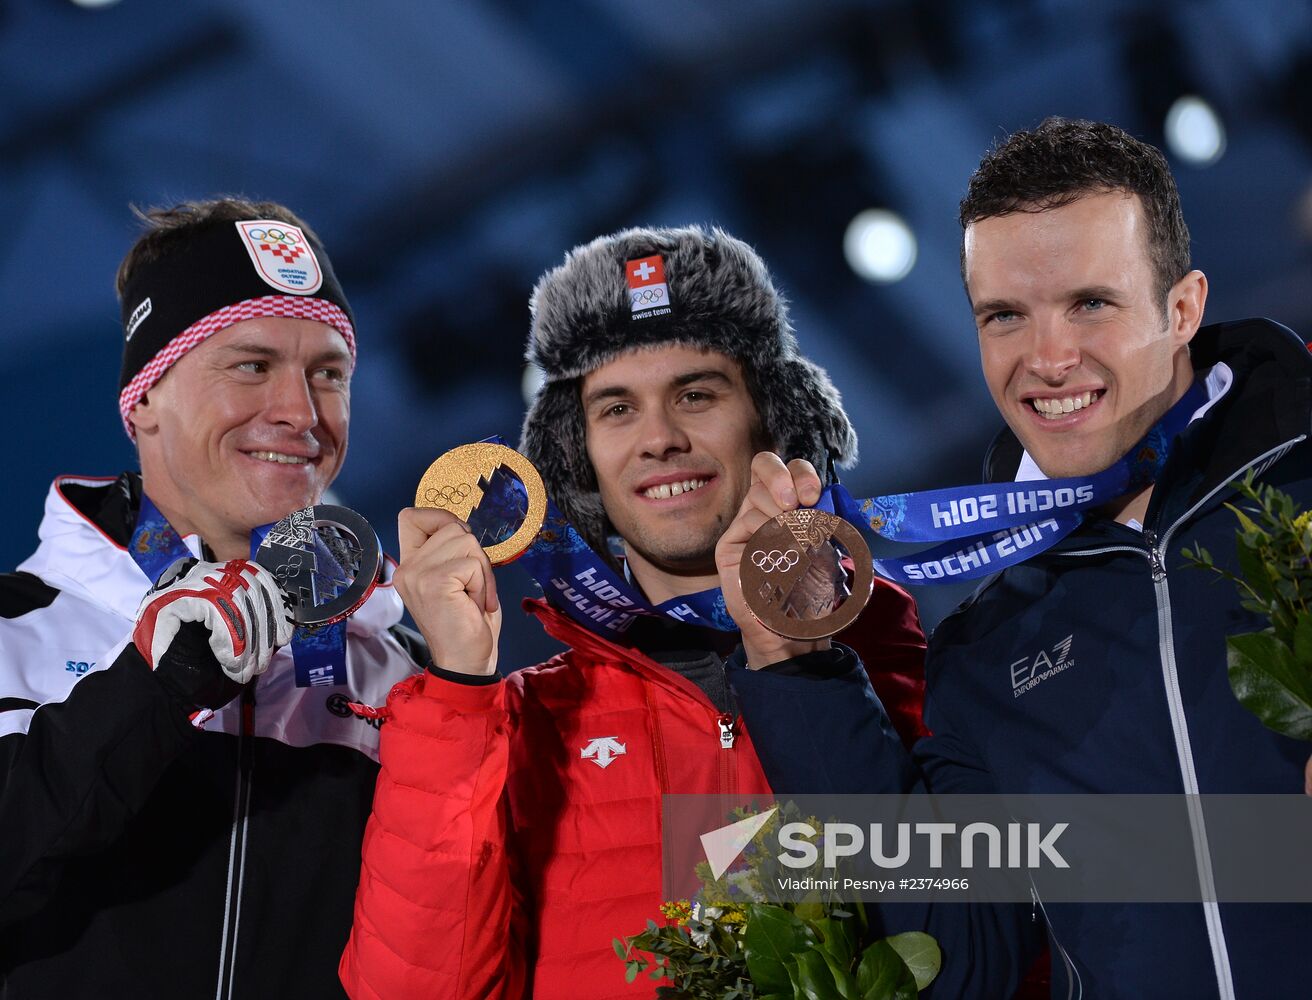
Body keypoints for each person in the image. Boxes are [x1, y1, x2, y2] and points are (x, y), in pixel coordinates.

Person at [754, 118, 1312, 998]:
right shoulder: (990, 645)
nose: (1048, 360)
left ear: (1182, 310)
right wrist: (789, 659)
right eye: (1006, 316)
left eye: (1091, 302)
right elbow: (957, 962)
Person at [337, 225, 929, 999]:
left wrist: (807, 655)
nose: (659, 438)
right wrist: (455, 690)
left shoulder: (898, 654)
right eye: (617, 408)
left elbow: (1018, 940)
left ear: (773, 422)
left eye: (696, 394)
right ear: (576, 457)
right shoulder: (521, 725)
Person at [0, 198, 424, 998]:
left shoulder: (398, 671)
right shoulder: (12, 631)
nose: (301, 413)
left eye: (328, 373)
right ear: (146, 398)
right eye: (251, 365)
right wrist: (155, 689)